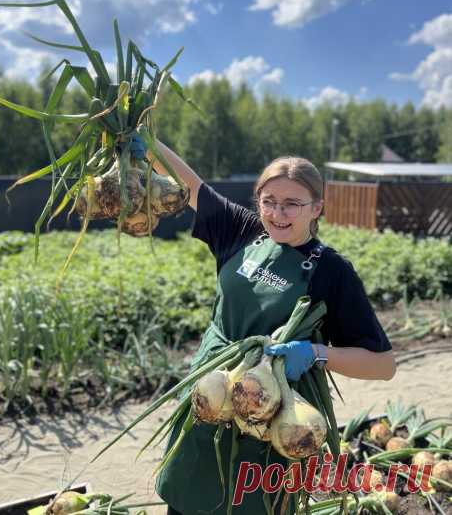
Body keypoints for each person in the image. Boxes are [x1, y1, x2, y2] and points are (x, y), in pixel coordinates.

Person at [133, 136, 396, 515]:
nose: (278, 214)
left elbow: (383, 365)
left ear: (317, 208)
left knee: (250, 503)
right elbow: (192, 185)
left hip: (267, 409)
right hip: (209, 388)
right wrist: (144, 140)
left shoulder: (332, 272)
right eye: (269, 201)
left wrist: (315, 353)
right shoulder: (241, 230)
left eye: (292, 204)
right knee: (188, 495)